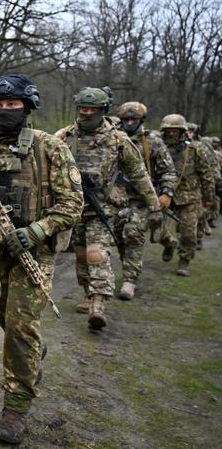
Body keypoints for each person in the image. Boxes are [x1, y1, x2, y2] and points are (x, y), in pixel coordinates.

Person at [0, 74, 82, 444]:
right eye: (0, 105)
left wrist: (34, 232)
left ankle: (16, 407)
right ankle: (34, 351)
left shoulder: (49, 148)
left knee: (20, 328)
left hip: (33, 253)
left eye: (13, 105)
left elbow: (72, 205)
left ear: (28, 107)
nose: (6, 111)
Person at [54, 87, 159, 331]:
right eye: (83, 109)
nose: (86, 113)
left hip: (103, 208)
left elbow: (139, 174)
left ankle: (98, 304)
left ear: (103, 110)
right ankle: (87, 293)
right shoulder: (64, 136)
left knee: (96, 253)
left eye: (92, 109)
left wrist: (154, 205)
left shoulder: (118, 140)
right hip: (72, 207)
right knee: (80, 254)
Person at [113, 101, 177, 300]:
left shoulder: (153, 142)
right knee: (117, 235)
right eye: (126, 119)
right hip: (116, 199)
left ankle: (129, 281)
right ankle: (168, 240)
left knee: (133, 232)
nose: (130, 122)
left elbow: (168, 171)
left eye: (134, 119)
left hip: (143, 199)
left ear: (141, 120)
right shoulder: (112, 139)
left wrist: (166, 193)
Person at [158, 114, 216, 276]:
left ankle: (184, 260)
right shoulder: (157, 147)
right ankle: (169, 244)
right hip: (162, 195)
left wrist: (209, 198)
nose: (171, 134)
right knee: (155, 227)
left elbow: (206, 174)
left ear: (182, 131)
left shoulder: (195, 149)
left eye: (175, 130)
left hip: (189, 197)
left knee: (188, 232)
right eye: (168, 130)